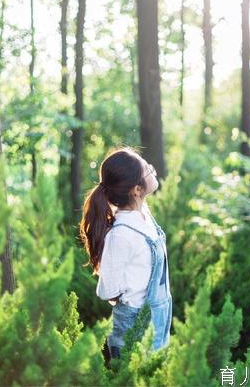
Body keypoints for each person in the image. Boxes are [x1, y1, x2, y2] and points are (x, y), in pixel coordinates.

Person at [79, 147, 172, 361]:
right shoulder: (120, 235)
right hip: (135, 326)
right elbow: (107, 290)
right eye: (147, 170)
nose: (153, 170)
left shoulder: (144, 214)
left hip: (158, 317)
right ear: (136, 190)